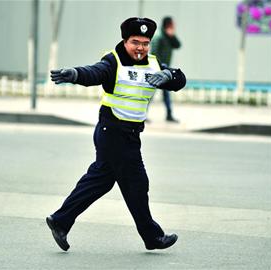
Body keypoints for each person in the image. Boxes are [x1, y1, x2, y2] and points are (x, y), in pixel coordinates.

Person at [46, 17, 186, 252]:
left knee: (101, 179)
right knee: (137, 184)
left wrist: (169, 76)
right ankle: (152, 237)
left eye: (145, 42)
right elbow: (95, 73)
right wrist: (75, 74)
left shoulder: (153, 63)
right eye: (135, 42)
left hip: (129, 133)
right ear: (125, 41)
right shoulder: (113, 61)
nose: (140, 48)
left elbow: (180, 79)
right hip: (113, 131)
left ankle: (60, 220)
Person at [150, 16, 181, 123]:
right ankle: (142, 114)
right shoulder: (158, 37)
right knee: (150, 93)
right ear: (168, 25)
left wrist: (172, 36)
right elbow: (154, 53)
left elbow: (178, 45)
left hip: (165, 69)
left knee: (167, 92)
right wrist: (158, 68)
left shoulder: (169, 37)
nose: (174, 26)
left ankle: (169, 114)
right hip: (157, 69)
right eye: (173, 24)